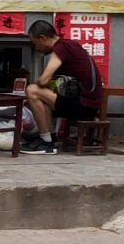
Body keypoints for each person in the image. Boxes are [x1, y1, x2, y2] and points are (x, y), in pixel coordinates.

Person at [22, 20, 104, 155]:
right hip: (88, 105)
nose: (36, 48)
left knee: (32, 90)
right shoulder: (69, 45)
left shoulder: (61, 48)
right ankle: (50, 137)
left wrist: (36, 84)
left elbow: (43, 80)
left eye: (35, 43)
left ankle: (46, 143)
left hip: (84, 106)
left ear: (43, 38)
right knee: (41, 96)